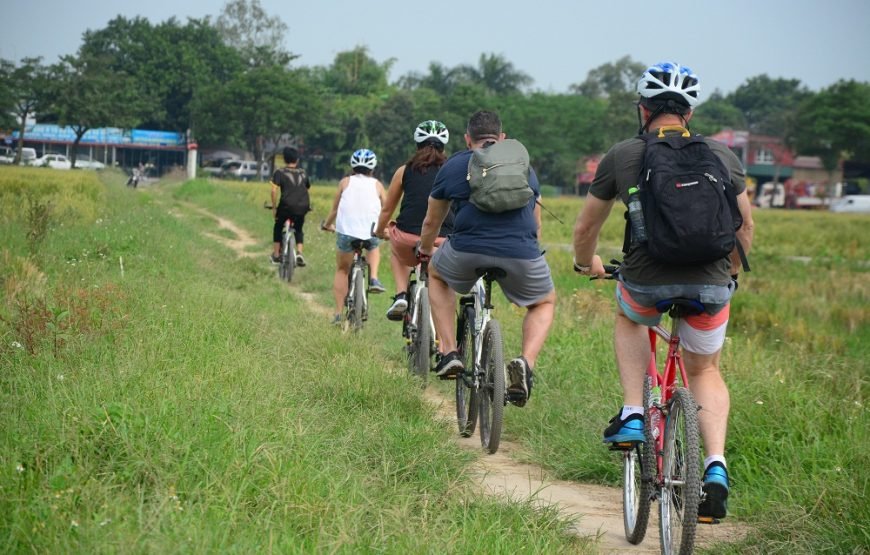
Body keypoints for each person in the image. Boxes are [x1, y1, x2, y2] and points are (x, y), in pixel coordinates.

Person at [571, 62, 754, 520]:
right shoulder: (722, 156)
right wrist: (728, 274)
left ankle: (634, 412)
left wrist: (583, 263)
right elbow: (745, 227)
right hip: (711, 284)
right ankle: (714, 468)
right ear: (688, 113)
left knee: (631, 314)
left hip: (647, 279)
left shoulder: (623, 154)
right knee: (706, 371)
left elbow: (587, 225)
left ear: (644, 109)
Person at [417, 110, 556, 408]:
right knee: (543, 302)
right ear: (502, 137)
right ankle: (525, 364)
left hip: (467, 249)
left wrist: (426, 250)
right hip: (521, 251)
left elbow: (431, 222)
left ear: (468, 139)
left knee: (437, 275)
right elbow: (536, 222)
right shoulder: (523, 164)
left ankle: (450, 352)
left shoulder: (454, 165)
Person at [375, 120, 453, 321]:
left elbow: (387, 209)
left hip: (408, 238)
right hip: (444, 241)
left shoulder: (404, 170)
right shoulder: (454, 170)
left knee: (396, 248)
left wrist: (379, 231)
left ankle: (401, 294)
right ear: (444, 145)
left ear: (417, 145)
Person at [322, 148, 388, 325]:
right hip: (370, 231)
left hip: (346, 232)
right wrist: (387, 228)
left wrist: (327, 225)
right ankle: (373, 278)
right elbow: (386, 209)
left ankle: (337, 314)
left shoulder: (345, 182)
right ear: (372, 168)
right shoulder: (378, 185)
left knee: (342, 270)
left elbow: (335, 209)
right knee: (374, 246)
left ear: (353, 166)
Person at [270, 146, 311, 266]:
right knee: (298, 229)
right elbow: (307, 188)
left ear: (284, 159)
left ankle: (276, 255)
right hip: (303, 206)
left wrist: (274, 207)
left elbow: (273, 191)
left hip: (286, 206)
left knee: (278, 227)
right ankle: (299, 253)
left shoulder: (279, 172)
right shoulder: (303, 173)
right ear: (297, 160)